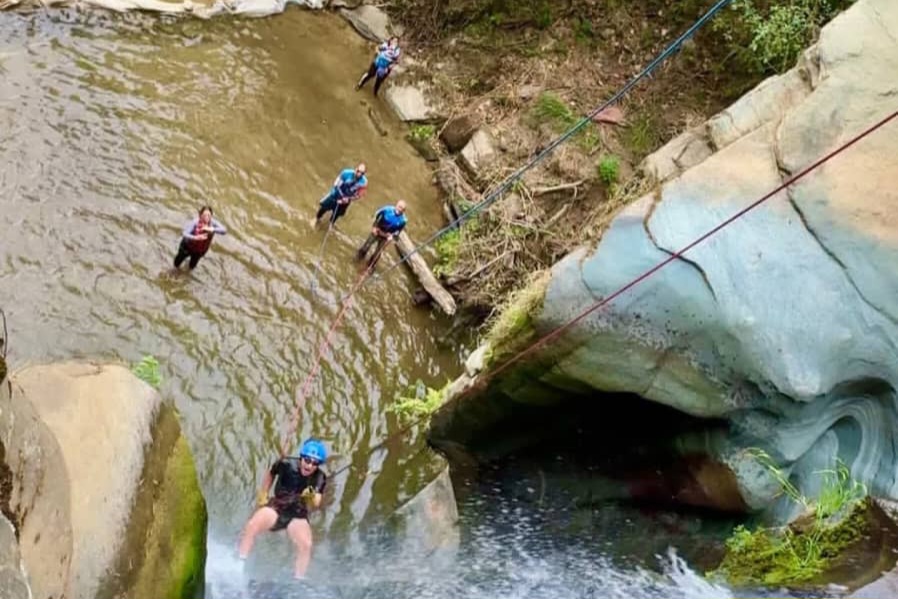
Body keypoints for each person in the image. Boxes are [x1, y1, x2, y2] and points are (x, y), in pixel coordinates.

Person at [238, 439, 328, 580]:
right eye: (307, 460)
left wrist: (310, 495)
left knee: (306, 545)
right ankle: (240, 563)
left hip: (297, 515)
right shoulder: (286, 464)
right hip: (277, 508)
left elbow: (317, 501)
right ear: (301, 457)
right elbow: (271, 473)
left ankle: (298, 580)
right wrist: (264, 494)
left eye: (315, 463)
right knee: (252, 525)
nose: (309, 465)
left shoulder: (320, 477)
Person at [174, 205, 227, 270]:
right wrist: (196, 237)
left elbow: (224, 230)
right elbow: (184, 233)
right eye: (205, 215)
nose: (207, 217)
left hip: (199, 252)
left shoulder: (213, 223)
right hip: (187, 247)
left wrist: (212, 229)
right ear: (200, 215)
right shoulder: (195, 222)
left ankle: (186, 274)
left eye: (209, 215)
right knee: (177, 263)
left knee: (192, 267)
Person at [357, 201, 407, 267]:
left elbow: (398, 232)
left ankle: (369, 267)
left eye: (402, 209)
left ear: (404, 211)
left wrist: (392, 237)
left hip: (386, 236)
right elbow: (375, 215)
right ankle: (358, 259)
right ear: (396, 205)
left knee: (377, 254)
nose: (400, 210)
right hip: (377, 231)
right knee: (365, 247)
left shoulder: (403, 220)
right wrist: (374, 227)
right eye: (399, 207)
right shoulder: (387, 209)